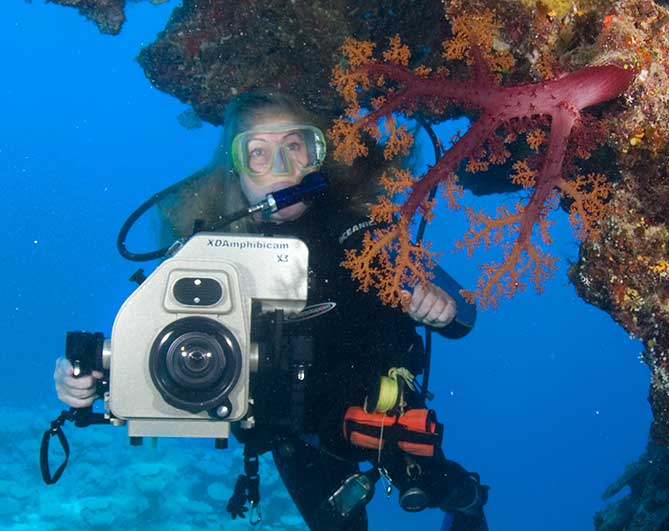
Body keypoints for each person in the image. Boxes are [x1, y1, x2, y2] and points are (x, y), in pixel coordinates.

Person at [54, 89, 488, 530]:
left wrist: (439, 306)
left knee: (444, 489)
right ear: (235, 169)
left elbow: (465, 313)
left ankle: (471, 502)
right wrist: (92, 377)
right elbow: (155, 338)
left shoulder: (361, 233)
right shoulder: (206, 254)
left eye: (294, 148)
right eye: (258, 153)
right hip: (295, 435)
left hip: (380, 414)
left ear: (317, 156)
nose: (281, 169)